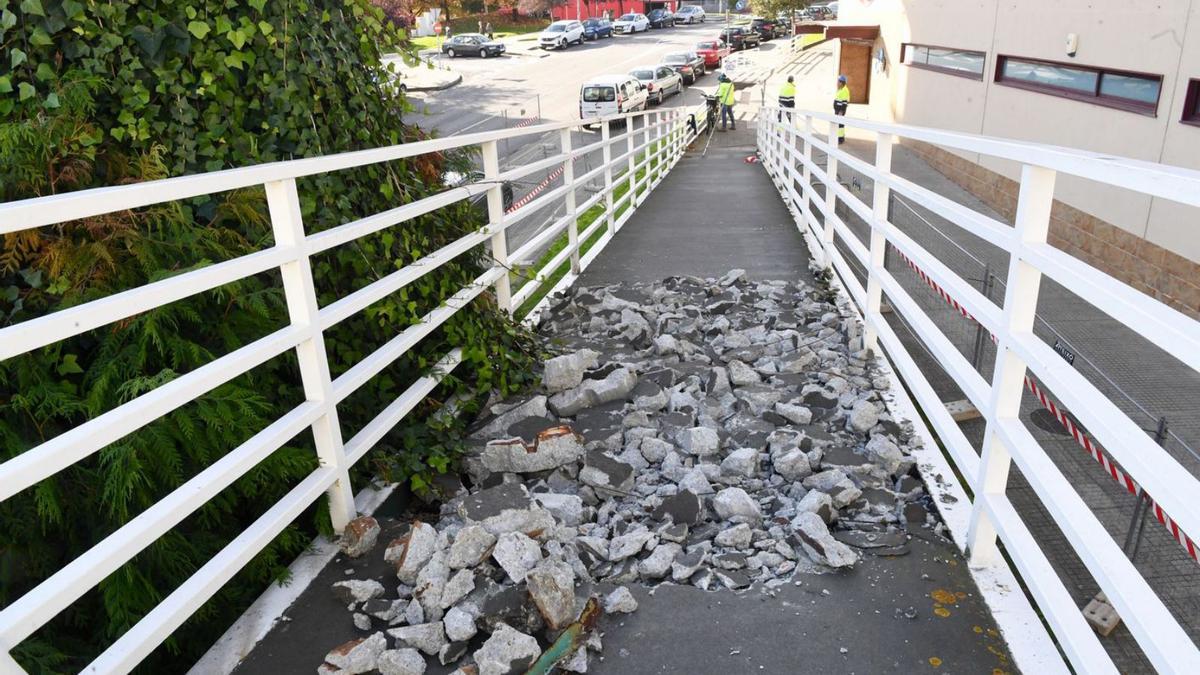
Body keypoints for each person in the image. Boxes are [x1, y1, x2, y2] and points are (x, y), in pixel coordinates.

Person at [834, 74, 850, 144]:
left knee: (840, 124)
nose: (837, 83)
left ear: (841, 82)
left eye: (838, 81)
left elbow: (845, 102)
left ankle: (840, 138)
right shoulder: (841, 89)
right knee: (838, 124)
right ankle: (839, 136)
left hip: (840, 110)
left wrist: (841, 111)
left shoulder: (845, 90)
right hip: (837, 109)